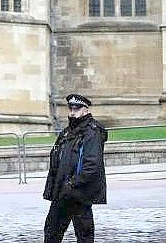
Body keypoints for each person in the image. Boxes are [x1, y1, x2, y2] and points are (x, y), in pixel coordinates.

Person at [43, 93, 108, 243]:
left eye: (77, 109)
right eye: (71, 108)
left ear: (85, 110)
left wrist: (72, 183)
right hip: (63, 191)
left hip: (80, 192)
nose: (72, 112)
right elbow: (56, 161)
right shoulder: (66, 132)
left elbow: (92, 164)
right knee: (51, 230)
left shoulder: (92, 131)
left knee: (84, 234)